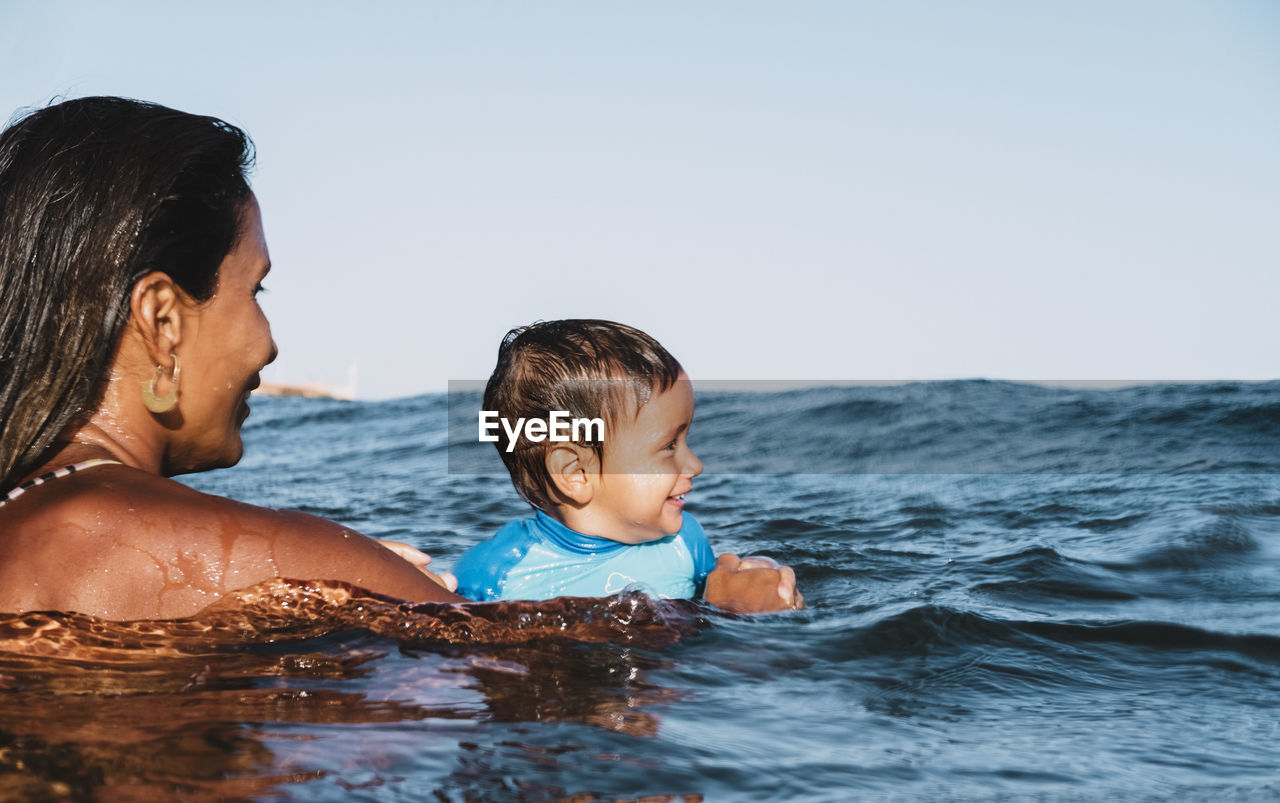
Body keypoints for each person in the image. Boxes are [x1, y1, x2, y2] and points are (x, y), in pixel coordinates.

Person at [0, 97, 797, 620]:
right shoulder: (254, 553)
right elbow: (506, 683)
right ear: (163, 322)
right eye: (257, 291)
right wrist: (720, 609)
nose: (269, 343)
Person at [452, 319, 804, 610]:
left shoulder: (685, 541)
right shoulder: (490, 577)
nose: (695, 464)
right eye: (669, 446)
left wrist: (763, 574)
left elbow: (720, 598)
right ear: (574, 473)